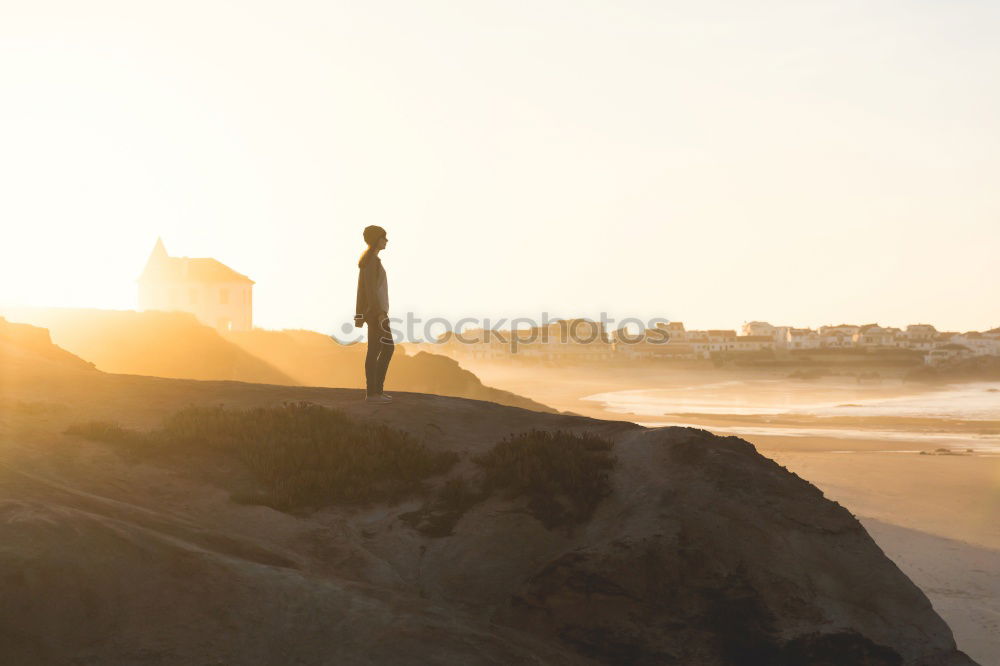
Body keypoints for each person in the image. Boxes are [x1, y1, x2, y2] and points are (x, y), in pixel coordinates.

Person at [354, 225, 394, 403]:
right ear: (376, 239)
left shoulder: (371, 260)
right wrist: (379, 314)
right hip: (377, 313)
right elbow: (370, 291)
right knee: (382, 349)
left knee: (380, 349)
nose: (386, 240)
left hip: (377, 312)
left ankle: (375, 392)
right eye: (384, 237)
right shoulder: (371, 262)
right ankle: (373, 393)